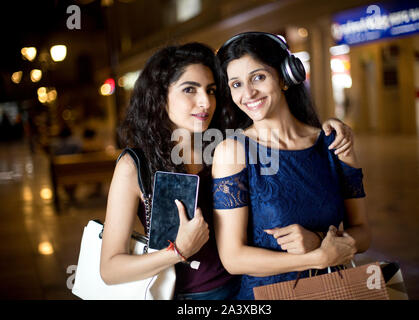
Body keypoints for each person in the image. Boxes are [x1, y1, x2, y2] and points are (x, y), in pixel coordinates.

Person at [100, 41, 356, 300]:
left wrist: (330, 128)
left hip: (251, 285)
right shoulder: (135, 165)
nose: (205, 102)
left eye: (211, 91)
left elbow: (271, 123)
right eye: (190, 89)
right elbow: (110, 269)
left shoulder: (226, 144)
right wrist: (177, 251)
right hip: (193, 297)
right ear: (159, 95)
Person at [212, 32, 371, 300]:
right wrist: (317, 257)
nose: (248, 93)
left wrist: (319, 240)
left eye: (258, 77)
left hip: (332, 293)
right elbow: (233, 257)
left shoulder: (333, 143)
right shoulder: (232, 151)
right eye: (236, 84)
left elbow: (364, 234)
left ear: (286, 76)